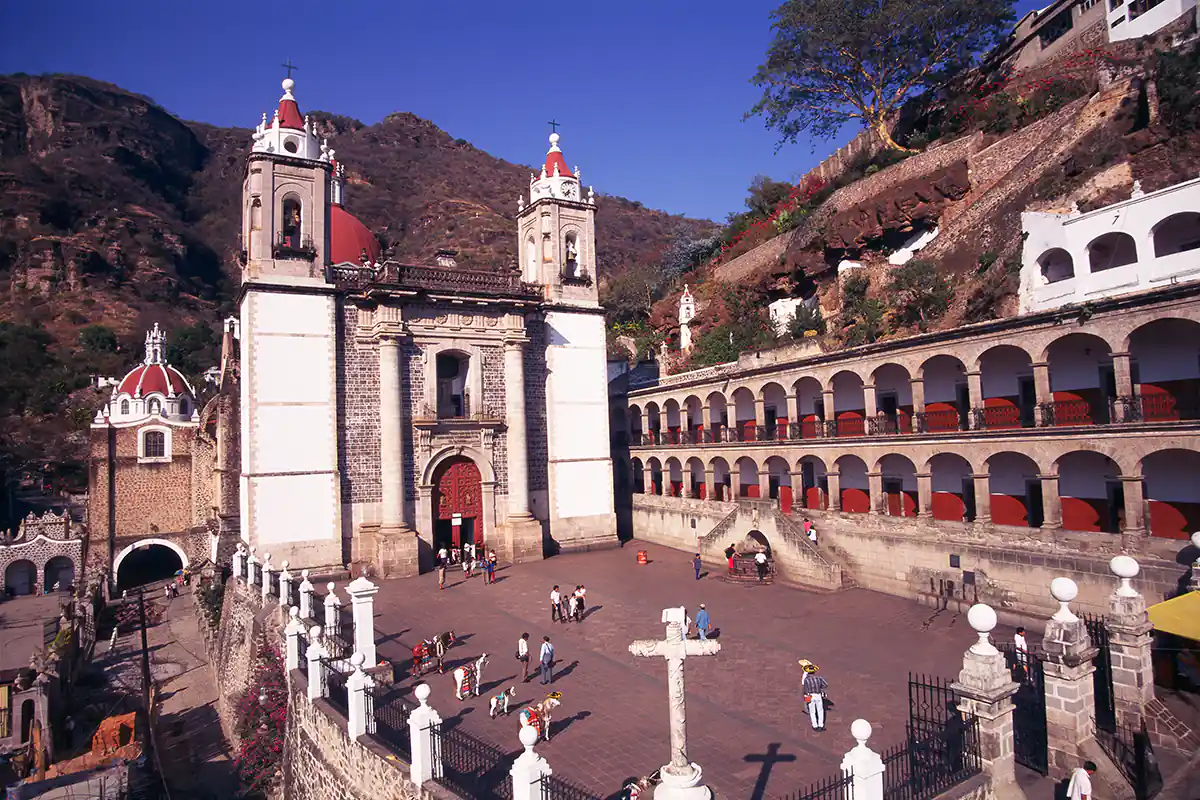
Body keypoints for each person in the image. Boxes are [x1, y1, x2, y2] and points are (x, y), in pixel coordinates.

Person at [800, 659, 829, 731]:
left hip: (810, 696)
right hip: (818, 695)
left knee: (812, 711)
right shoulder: (819, 678)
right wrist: (819, 687)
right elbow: (825, 685)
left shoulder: (806, 680)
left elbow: (805, 690)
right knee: (820, 710)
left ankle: (815, 726)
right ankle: (821, 725)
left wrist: (805, 697)